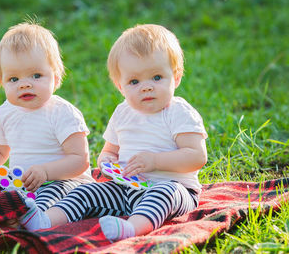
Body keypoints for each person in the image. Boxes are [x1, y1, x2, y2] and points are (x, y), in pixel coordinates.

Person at [20, 24, 208, 241]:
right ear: (120, 86)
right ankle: (46, 220)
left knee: (164, 192)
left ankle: (131, 229)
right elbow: (110, 151)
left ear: (175, 77)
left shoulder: (178, 112)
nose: (146, 87)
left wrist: (155, 161)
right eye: (134, 81)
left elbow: (196, 157)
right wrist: (107, 160)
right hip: (127, 189)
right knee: (85, 192)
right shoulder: (123, 112)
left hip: (177, 191)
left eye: (156, 77)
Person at [0, 22, 94, 216]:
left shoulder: (62, 113)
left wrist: (46, 172)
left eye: (36, 75)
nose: (24, 85)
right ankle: (11, 212)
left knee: (47, 199)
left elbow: (80, 161)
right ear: (2, 82)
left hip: (67, 185)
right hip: (26, 187)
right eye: (14, 79)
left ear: (55, 79)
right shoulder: (7, 111)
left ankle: (33, 219)